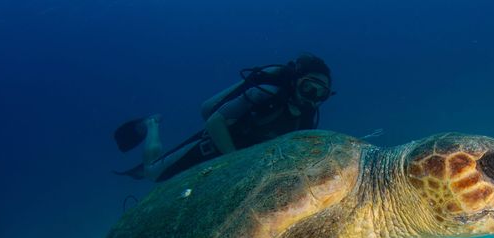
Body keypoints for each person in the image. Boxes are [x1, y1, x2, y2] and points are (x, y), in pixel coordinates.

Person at [113, 54, 334, 182]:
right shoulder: (265, 93)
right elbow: (214, 120)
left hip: (243, 164)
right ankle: (151, 124)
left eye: (319, 93)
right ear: (296, 82)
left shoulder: (307, 119)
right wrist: (234, 160)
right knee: (152, 173)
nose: (311, 98)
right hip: (214, 147)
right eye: (308, 88)